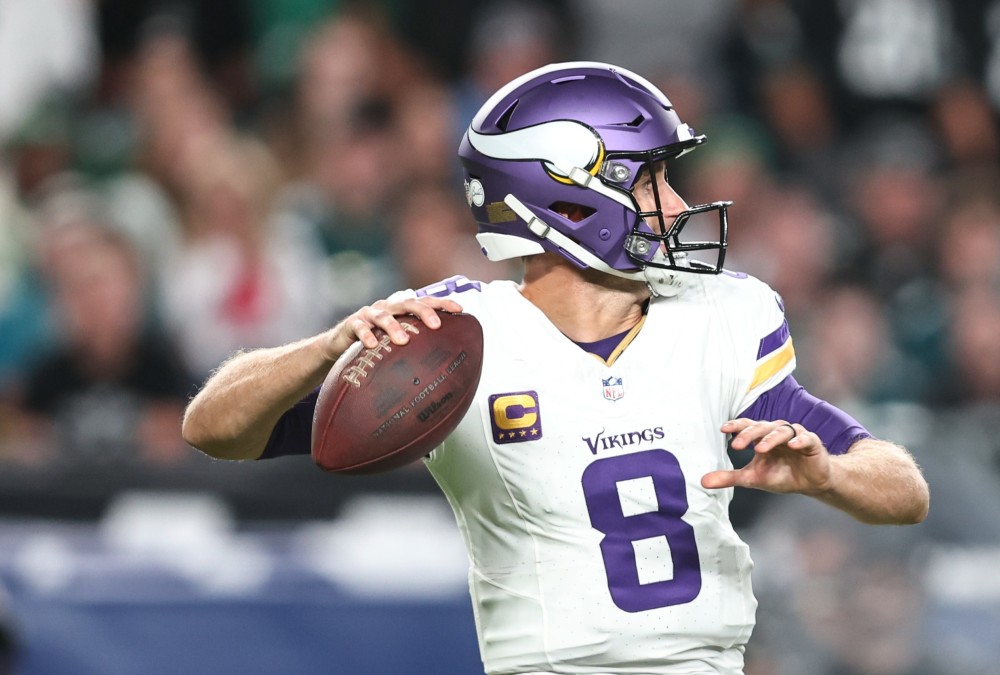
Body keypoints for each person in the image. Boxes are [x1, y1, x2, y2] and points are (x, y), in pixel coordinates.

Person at [182, 62, 929, 675]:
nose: (676, 204)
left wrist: (829, 476)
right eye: (650, 180)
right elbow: (214, 428)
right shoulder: (454, 337)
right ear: (569, 200)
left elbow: (904, 489)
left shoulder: (722, 316)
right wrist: (324, 350)